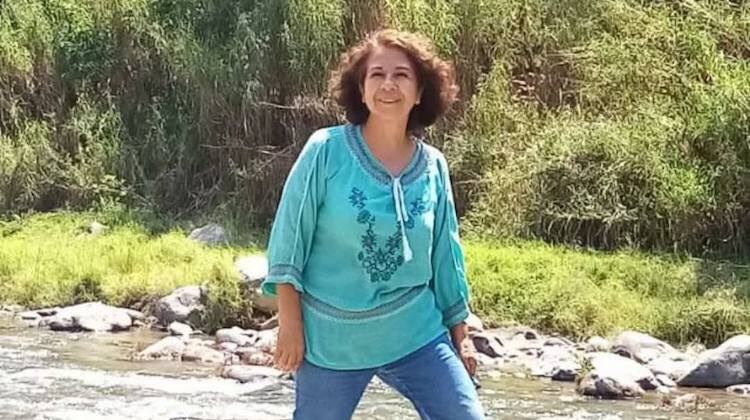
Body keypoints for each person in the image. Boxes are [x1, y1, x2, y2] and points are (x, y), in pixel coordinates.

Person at [261, 29, 485, 420]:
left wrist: (461, 336)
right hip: (332, 341)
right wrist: (290, 325)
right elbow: (289, 240)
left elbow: (446, 256)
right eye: (377, 74)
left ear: (420, 92)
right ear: (361, 91)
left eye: (402, 75)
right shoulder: (325, 151)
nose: (388, 85)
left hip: (414, 333)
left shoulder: (433, 166)